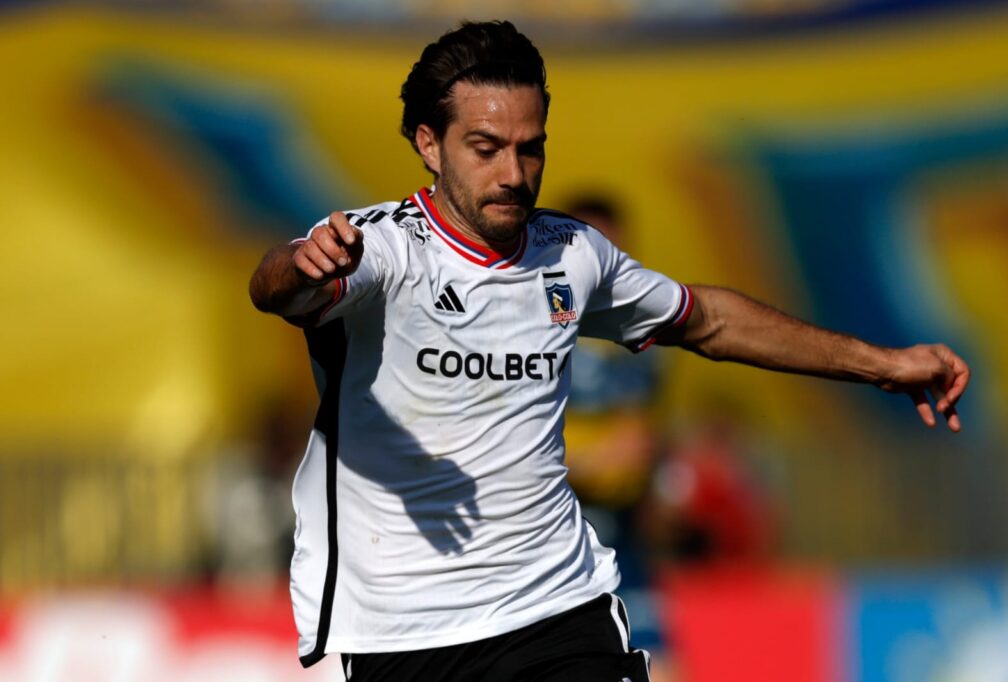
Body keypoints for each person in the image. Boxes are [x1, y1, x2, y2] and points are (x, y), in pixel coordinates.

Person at [248, 20, 969, 682]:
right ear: (429, 144)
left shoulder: (572, 255)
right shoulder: (379, 251)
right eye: (486, 148)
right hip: (404, 631)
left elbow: (708, 319)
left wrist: (883, 364)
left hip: (557, 606)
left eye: (531, 149)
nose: (513, 173)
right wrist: (300, 264)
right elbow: (278, 288)